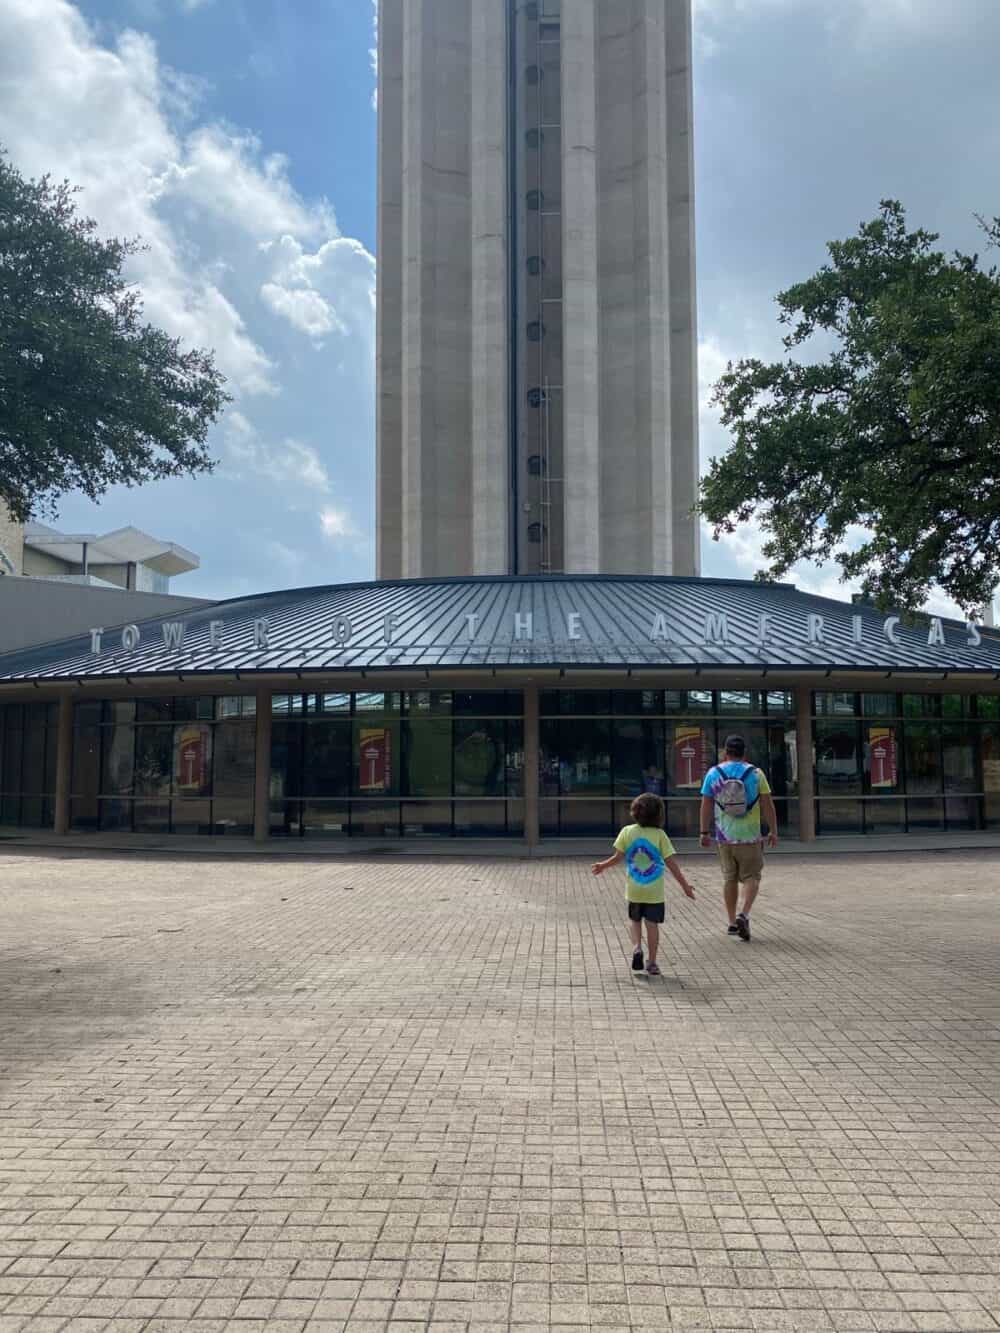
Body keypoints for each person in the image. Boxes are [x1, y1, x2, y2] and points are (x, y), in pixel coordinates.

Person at [592, 792, 696, 977]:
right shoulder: (660, 835)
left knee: (635, 921)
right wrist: (685, 886)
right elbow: (671, 864)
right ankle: (653, 962)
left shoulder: (627, 832)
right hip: (654, 891)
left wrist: (602, 866)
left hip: (634, 889)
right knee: (652, 924)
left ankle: (637, 948)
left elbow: (618, 857)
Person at [699, 734, 778, 942]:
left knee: (729, 878)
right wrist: (773, 830)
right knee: (752, 877)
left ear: (725, 752)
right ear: (745, 753)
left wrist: (704, 832)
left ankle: (732, 922)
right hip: (751, 837)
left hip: (724, 837)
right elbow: (767, 805)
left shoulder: (713, 773)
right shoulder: (756, 774)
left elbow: (706, 804)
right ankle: (744, 913)